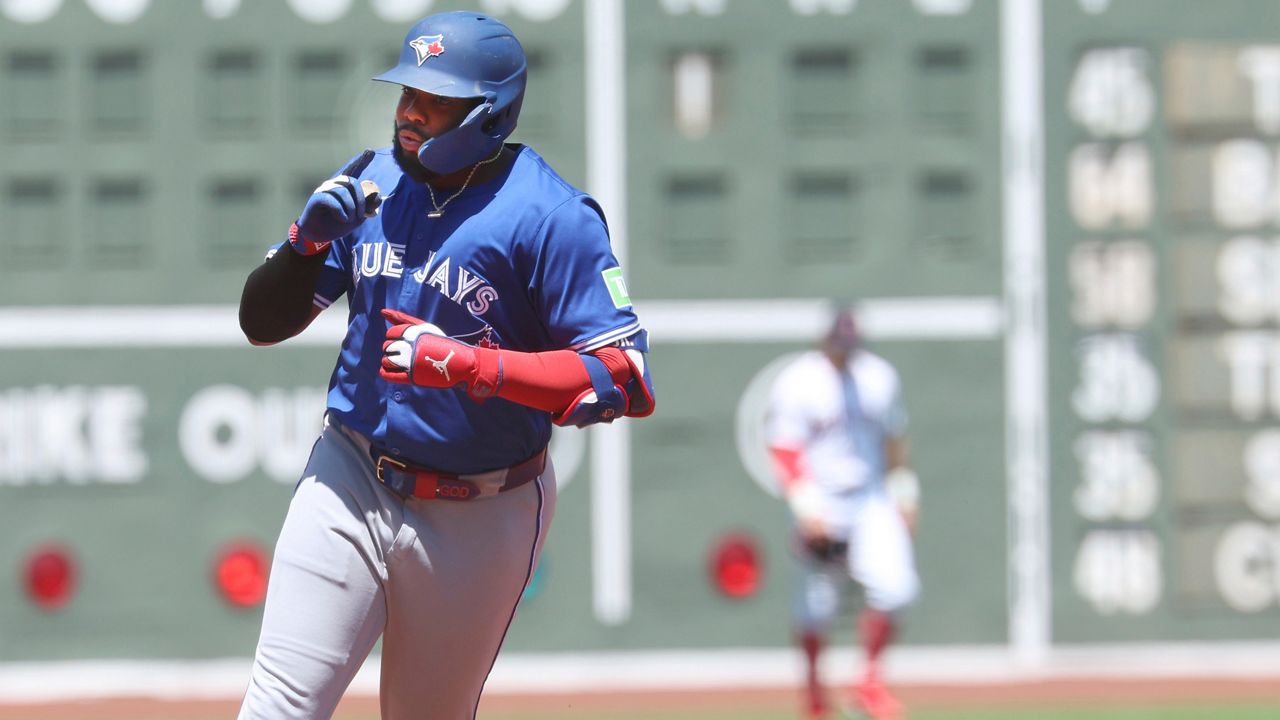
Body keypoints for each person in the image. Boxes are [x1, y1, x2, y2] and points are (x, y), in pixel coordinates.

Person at [235, 11, 655, 719]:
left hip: (481, 508)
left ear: (488, 114)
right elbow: (261, 324)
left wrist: (474, 367)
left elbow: (623, 376)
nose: (410, 112)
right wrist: (304, 246)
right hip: (351, 476)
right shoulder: (370, 182)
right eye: (407, 93)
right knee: (276, 709)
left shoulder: (552, 216)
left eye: (435, 101)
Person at [764, 305, 920, 720]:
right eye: (838, 338)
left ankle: (869, 683)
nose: (845, 346)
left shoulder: (878, 376)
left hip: (870, 497)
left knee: (898, 588)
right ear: (824, 338)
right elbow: (784, 447)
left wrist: (904, 493)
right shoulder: (799, 380)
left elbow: (895, 440)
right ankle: (815, 696)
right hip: (821, 500)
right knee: (816, 607)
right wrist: (806, 507)